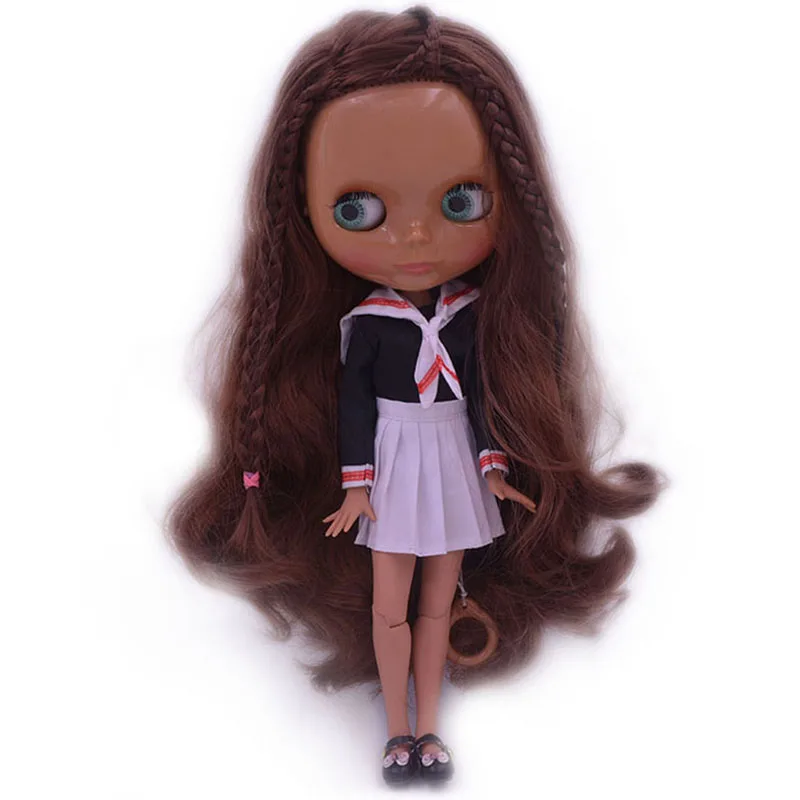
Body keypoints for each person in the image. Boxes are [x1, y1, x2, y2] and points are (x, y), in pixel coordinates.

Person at [167, 6, 662, 786]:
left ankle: (428, 728)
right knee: (389, 605)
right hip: (394, 455)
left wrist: (494, 466)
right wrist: (356, 486)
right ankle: (395, 732)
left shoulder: (471, 317)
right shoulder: (366, 325)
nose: (416, 239)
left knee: (437, 602)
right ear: (302, 209)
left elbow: (487, 392)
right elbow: (357, 407)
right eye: (359, 211)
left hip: (455, 452)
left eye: (460, 201)